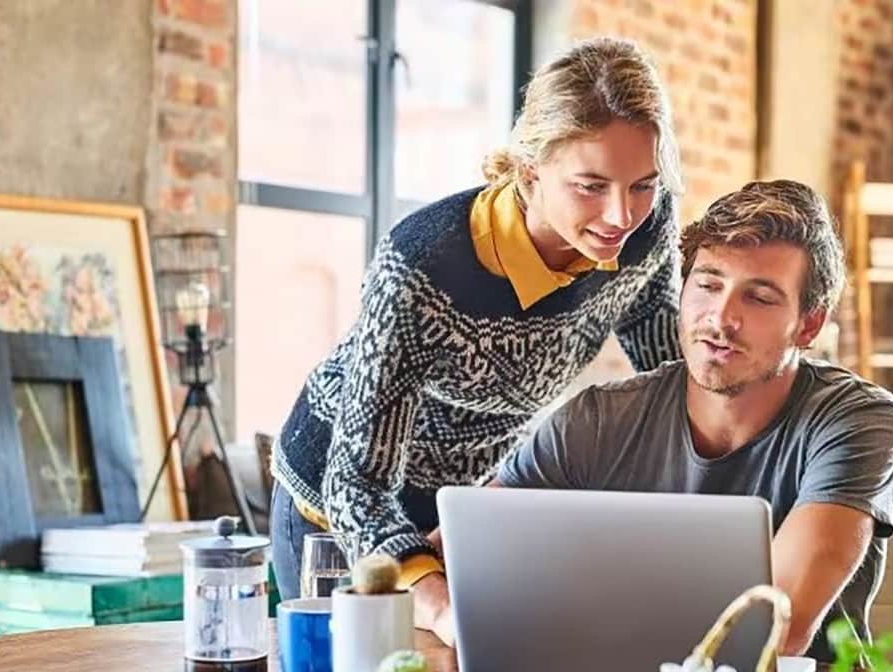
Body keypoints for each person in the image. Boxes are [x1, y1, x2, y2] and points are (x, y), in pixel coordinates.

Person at [269, 37, 685, 641]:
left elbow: (663, 369)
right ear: (529, 169)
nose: (621, 215)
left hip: (461, 511)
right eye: (591, 185)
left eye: (641, 185)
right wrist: (436, 605)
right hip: (335, 512)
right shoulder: (423, 264)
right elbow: (357, 483)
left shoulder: (645, 231)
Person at [423, 180, 893, 659]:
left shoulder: (857, 422)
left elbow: (775, 630)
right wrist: (446, 617)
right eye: (708, 284)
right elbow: (447, 554)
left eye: (758, 298)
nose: (720, 318)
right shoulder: (595, 421)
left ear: (808, 325)